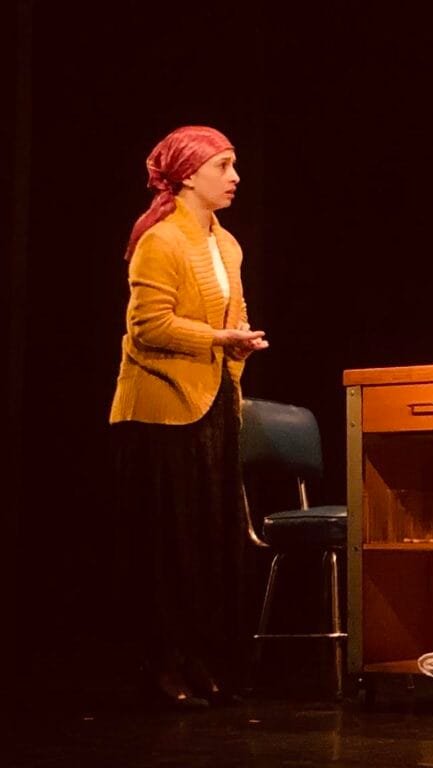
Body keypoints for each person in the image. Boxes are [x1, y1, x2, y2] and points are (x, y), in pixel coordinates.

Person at [110, 125, 268, 709]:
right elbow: (147, 327)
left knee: (208, 538)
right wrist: (217, 338)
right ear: (188, 175)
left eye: (233, 164)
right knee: (167, 544)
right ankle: (160, 664)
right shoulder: (161, 240)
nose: (235, 177)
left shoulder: (227, 245)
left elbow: (233, 313)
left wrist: (239, 342)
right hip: (160, 409)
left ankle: (200, 658)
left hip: (213, 399)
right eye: (223, 166)